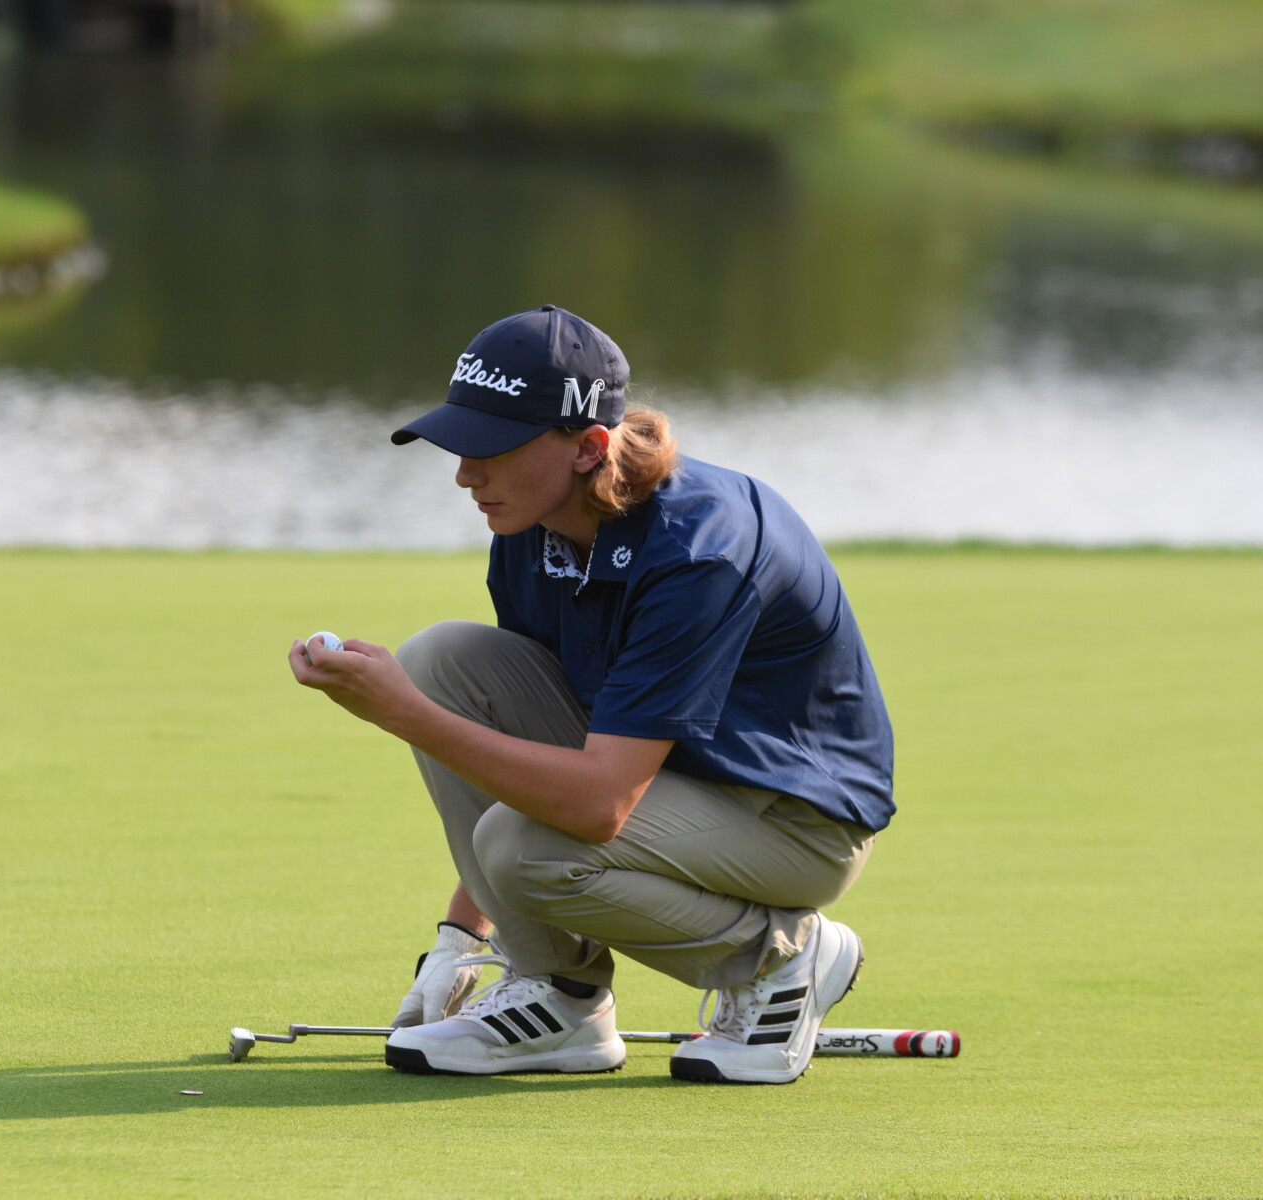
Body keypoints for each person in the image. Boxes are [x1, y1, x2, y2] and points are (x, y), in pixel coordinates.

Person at [288, 305, 894, 1084]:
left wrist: (402, 713)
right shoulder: (531, 529)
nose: (466, 475)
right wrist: (459, 935)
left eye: (491, 450)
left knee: (520, 842)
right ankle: (560, 998)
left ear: (588, 448)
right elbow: (512, 748)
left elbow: (596, 807)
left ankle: (784, 958)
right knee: (442, 659)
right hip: (670, 782)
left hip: (791, 822)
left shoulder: (698, 550)